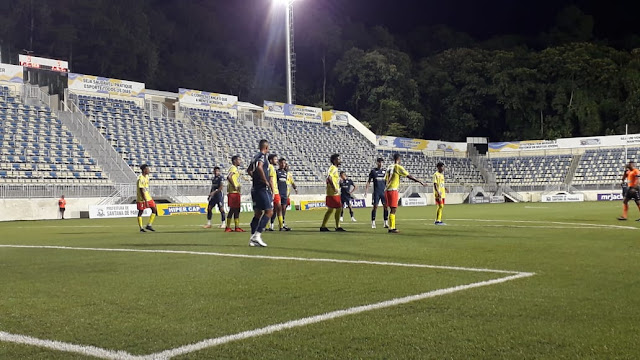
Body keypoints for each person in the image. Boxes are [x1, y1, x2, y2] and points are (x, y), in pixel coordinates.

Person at [384, 153, 424, 233]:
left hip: (387, 190)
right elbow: (409, 176)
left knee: (391, 209)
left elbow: (385, 179)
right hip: (393, 190)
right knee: (393, 209)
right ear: (398, 159)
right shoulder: (397, 167)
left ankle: (392, 227)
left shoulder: (389, 167)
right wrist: (419, 181)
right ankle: (392, 228)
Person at [247, 139, 272, 246]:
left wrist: (255, 178)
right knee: (269, 212)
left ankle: (252, 238)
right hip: (261, 188)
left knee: (258, 213)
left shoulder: (255, 157)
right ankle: (257, 235)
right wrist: (264, 180)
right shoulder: (262, 156)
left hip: (255, 188)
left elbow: (249, 170)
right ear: (266, 147)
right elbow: (259, 167)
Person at [320, 154, 346, 232]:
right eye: (338, 159)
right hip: (333, 193)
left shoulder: (334, 169)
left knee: (331, 209)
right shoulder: (333, 168)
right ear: (335, 160)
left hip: (332, 192)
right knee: (339, 208)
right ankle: (337, 226)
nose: (340, 160)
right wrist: (334, 187)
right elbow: (329, 178)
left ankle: (323, 226)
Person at [364, 157, 389, 229]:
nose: (381, 164)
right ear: (377, 163)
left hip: (384, 192)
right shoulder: (373, 171)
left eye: (382, 162)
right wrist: (366, 190)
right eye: (379, 162)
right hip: (376, 192)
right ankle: (373, 222)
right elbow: (369, 181)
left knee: (386, 207)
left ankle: (385, 222)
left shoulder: (385, 171)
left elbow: (387, 181)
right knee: (375, 207)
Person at [225, 155, 244, 232]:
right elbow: (229, 177)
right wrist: (234, 186)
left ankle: (236, 227)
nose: (240, 161)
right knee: (233, 209)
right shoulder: (233, 168)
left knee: (237, 209)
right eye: (239, 160)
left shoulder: (235, 168)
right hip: (233, 192)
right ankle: (228, 227)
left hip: (236, 192)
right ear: (234, 161)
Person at [137, 164, 158, 232]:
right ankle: (141, 228)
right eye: (147, 169)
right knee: (141, 211)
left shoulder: (147, 177)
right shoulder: (140, 178)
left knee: (154, 209)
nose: (149, 170)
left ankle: (149, 225)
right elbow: (141, 190)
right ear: (144, 170)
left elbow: (146, 188)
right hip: (141, 198)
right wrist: (145, 200)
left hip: (148, 196)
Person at [266, 154, 284, 231]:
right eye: (275, 159)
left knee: (277, 208)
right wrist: (273, 191)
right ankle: (278, 226)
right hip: (273, 192)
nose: (277, 161)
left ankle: (280, 226)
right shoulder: (271, 168)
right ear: (271, 160)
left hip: (274, 191)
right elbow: (270, 180)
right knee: (272, 209)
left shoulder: (268, 167)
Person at [276, 158, 293, 231]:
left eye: (284, 163)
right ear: (279, 163)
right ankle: (272, 225)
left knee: (283, 209)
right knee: (278, 209)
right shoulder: (276, 172)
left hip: (284, 193)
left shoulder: (286, 173)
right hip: (278, 193)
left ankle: (283, 223)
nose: (283, 164)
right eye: (281, 163)